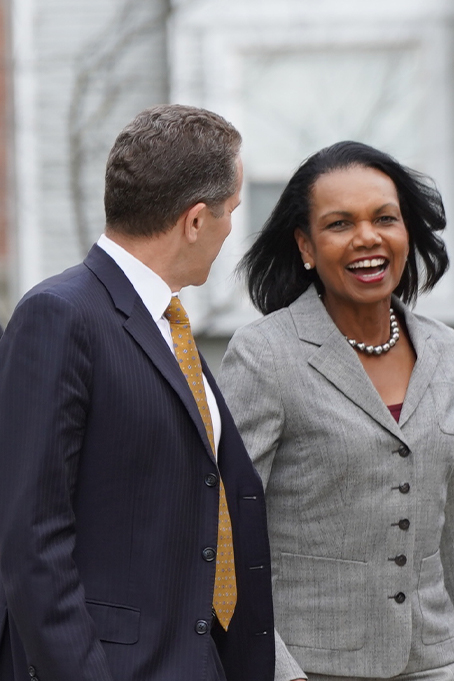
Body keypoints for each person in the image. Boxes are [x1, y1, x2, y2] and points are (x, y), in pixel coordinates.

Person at [218, 140, 454, 681]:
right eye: (339, 224)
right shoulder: (265, 356)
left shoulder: (443, 349)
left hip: (438, 661)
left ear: (407, 232)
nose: (367, 238)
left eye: (385, 218)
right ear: (305, 245)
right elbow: (222, 536)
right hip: (313, 666)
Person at [0, 105, 274, 681]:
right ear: (195, 220)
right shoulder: (60, 314)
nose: (231, 228)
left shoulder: (165, 322)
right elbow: (30, 541)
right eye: (231, 211)